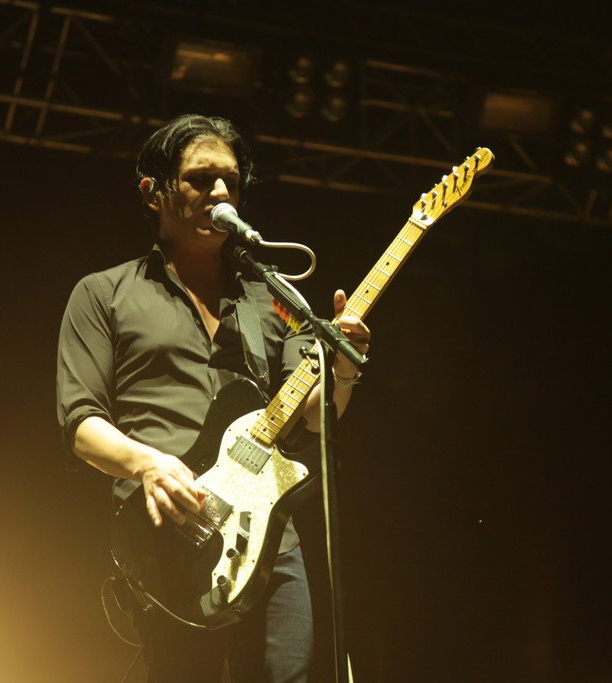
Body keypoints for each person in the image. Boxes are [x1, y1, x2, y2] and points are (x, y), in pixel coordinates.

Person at [56, 114, 370, 682]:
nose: (221, 192)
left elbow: (313, 417)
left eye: (231, 181)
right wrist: (148, 464)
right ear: (153, 192)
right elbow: (81, 423)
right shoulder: (104, 293)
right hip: (171, 536)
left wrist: (342, 370)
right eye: (201, 179)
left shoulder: (275, 299)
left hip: (269, 536)